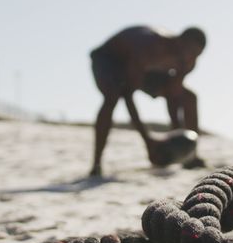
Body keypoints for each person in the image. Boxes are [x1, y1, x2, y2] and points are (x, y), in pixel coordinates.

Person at [89, 26, 207, 177]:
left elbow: (173, 95)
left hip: (146, 68)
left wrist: (179, 143)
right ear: (179, 42)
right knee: (113, 96)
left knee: (189, 97)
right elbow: (128, 95)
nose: (191, 58)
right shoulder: (150, 47)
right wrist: (148, 142)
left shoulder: (188, 62)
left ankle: (191, 157)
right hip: (110, 60)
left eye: (196, 55)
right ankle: (96, 164)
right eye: (189, 51)